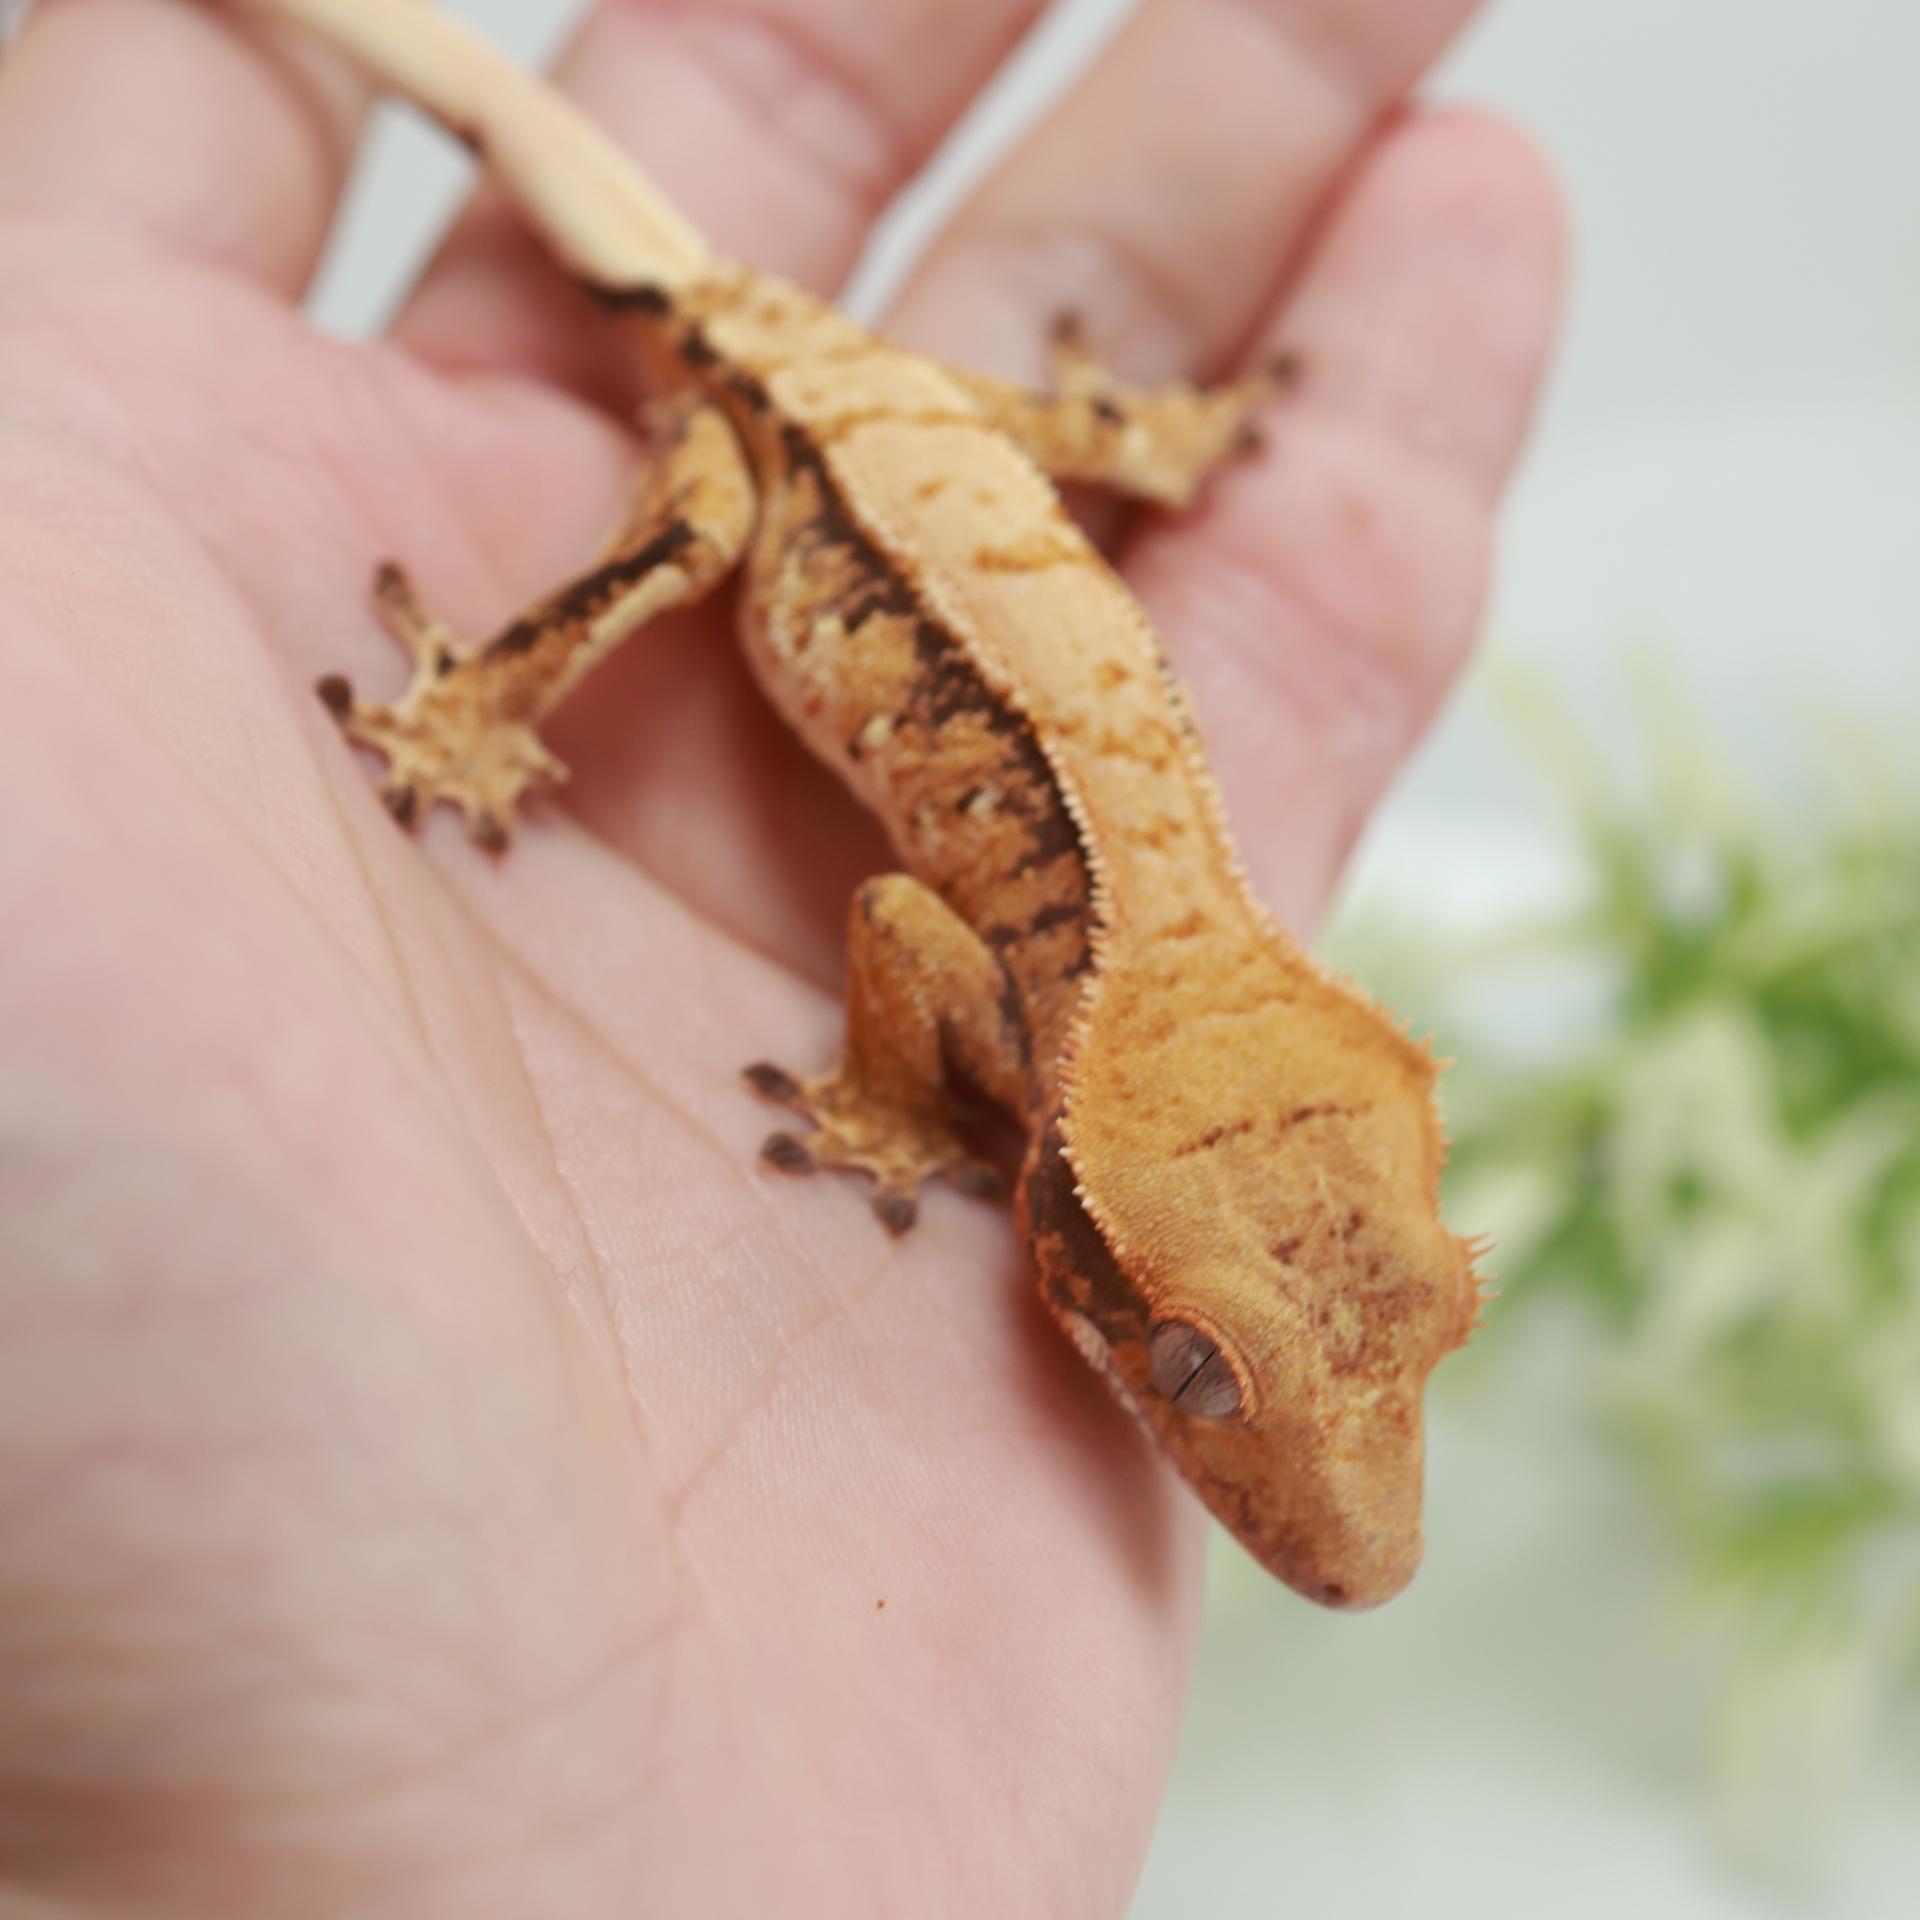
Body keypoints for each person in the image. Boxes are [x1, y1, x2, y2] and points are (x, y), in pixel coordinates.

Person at [0, 0, 1561, 1909]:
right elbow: (897, 919)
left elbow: (930, 922)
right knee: (679, 548)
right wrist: (896, 1102)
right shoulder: (1055, 1024)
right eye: (1197, 1371)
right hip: (790, 453)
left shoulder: (1135, 1011)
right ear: (1075, 1209)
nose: (1349, 1546)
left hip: (936, 444)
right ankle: (478, 703)